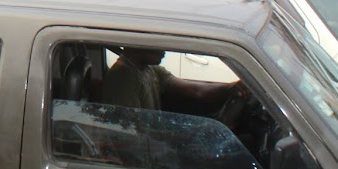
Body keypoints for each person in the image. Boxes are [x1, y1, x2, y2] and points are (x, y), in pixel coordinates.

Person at [101, 48, 246, 117]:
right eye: (159, 44)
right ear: (140, 43)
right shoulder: (123, 77)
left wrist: (230, 88)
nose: (165, 50)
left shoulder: (151, 69)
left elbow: (196, 91)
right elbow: (129, 128)